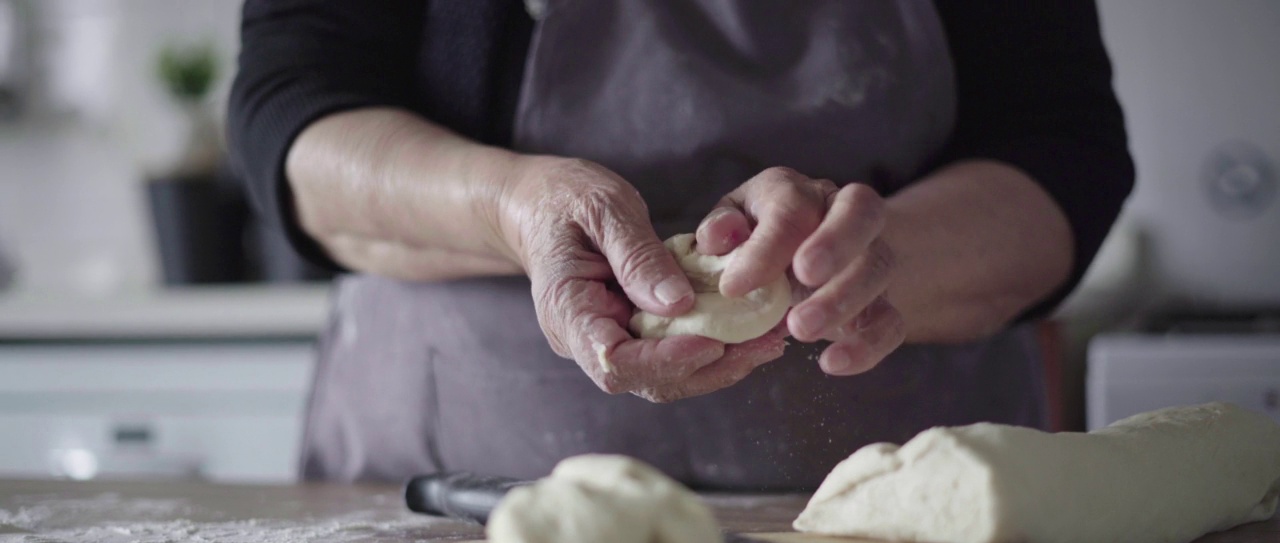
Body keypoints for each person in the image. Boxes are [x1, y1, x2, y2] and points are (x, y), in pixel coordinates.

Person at [228, 0, 1134, 490]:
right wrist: (515, 205)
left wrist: (859, 255)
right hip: (471, 493)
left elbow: (1062, 150)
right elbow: (295, 119)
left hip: (897, 506)